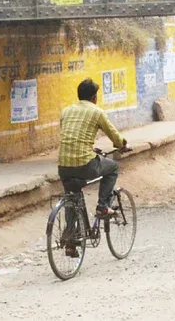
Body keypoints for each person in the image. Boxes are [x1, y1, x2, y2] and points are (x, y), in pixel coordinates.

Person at [58, 79, 128, 255]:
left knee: (72, 196)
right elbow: (114, 136)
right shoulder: (97, 112)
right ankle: (102, 206)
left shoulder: (66, 111)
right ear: (94, 97)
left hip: (63, 165)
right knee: (112, 168)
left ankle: (70, 241)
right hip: (84, 164)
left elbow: (71, 136)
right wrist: (122, 145)